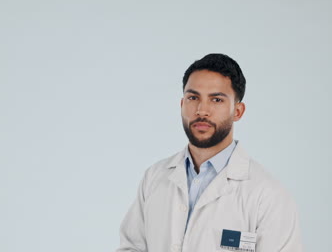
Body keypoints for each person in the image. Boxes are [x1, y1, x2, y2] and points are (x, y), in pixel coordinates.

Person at [116, 54, 302, 252]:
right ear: (182, 105)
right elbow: (131, 247)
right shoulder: (154, 177)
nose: (202, 110)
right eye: (193, 98)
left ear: (237, 111)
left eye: (216, 99)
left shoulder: (267, 195)